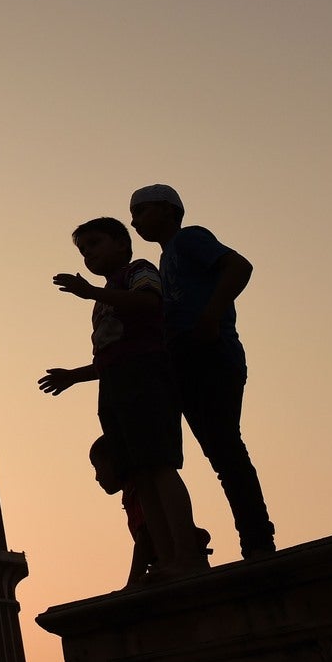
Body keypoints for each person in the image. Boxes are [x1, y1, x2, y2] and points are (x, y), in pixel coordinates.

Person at [39, 217, 207, 579]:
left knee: (159, 466)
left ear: (121, 243)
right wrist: (74, 376)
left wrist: (92, 293)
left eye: (94, 244)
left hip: (146, 377)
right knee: (138, 474)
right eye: (83, 250)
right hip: (116, 384)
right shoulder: (105, 298)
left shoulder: (138, 273)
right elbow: (110, 356)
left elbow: (149, 303)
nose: (88, 255)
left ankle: (186, 554)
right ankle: (166, 559)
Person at [130, 184, 276, 558]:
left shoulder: (189, 240)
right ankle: (250, 537)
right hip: (187, 359)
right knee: (221, 453)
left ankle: (257, 538)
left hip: (210, 354)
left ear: (167, 209)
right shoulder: (166, 261)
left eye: (141, 211)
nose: (135, 221)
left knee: (226, 449)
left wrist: (210, 317)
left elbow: (239, 266)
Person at [90, 435, 211, 587]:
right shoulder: (131, 492)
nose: (96, 477)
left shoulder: (138, 490)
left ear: (114, 461)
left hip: (172, 562)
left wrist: (132, 584)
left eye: (97, 467)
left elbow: (145, 539)